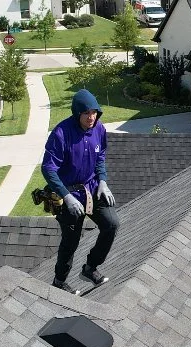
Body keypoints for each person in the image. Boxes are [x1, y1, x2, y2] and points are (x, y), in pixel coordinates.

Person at [41, 89, 120, 295]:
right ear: (77, 114)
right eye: (87, 113)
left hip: (92, 188)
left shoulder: (99, 129)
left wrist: (103, 181)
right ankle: (59, 281)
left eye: (94, 112)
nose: (91, 117)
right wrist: (66, 197)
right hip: (68, 194)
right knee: (71, 240)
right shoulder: (61, 134)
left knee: (111, 224)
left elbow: (100, 155)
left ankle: (90, 268)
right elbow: (48, 168)